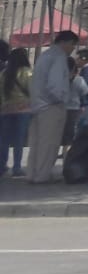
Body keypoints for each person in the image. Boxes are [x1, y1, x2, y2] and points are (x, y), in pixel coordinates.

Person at [25, 29, 78, 182]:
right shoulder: (59, 58)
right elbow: (55, 84)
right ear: (67, 43)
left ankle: (32, 174)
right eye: (73, 45)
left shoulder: (44, 55)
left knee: (36, 143)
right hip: (52, 106)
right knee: (49, 143)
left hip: (38, 104)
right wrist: (60, 99)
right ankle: (42, 175)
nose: (73, 49)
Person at [2, 45, 32, 177]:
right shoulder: (27, 72)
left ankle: (2, 165)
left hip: (6, 110)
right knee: (19, 140)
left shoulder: (4, 73)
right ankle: (17, 167)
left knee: (4, 140)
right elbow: (32, 90)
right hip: (23, 110)